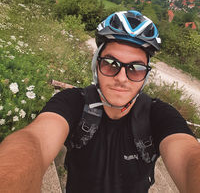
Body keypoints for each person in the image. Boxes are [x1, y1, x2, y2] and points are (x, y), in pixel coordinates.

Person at [0, 10, 200, 193]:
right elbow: (34, 141)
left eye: (136, 68)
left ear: (146, 76)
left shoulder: (158, 115)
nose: (121, 78)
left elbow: (189, 156)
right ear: (96, 65)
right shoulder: (73, 103)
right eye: (111, 64)